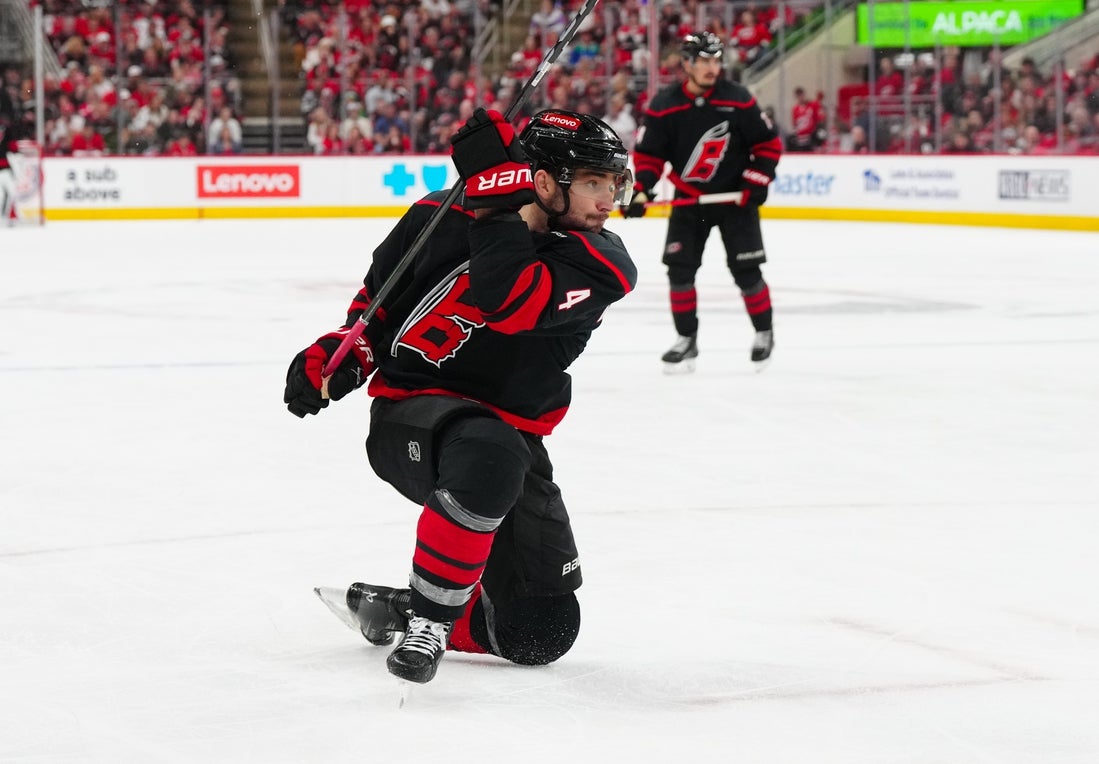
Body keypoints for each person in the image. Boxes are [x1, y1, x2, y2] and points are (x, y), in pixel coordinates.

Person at [285, 108, 637, 685]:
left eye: (612, 182)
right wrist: (342, 355)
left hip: (511, 442)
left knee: (540, 629)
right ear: (544, 182)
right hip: (411, 416)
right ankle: (430, 621)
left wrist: (496, 206)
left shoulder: (601, 262)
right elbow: (377, 307)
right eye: (593, 181)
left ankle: (405, 608)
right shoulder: (436, 215)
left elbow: (510, 301)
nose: (608, 199)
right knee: (489, 451)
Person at [622, 31, 782, 370]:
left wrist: (756, 179)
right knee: (679, 270)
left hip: (735, 201)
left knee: (746, 270)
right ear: (687, 63)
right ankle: (686, 339)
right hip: (690, 200)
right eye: (704, 60)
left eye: (716, 60)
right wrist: (642, 189)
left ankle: (764, 332)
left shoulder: (738, 98)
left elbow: (767, 145)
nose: (712, 67)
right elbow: (650, 155)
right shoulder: (665, 104)